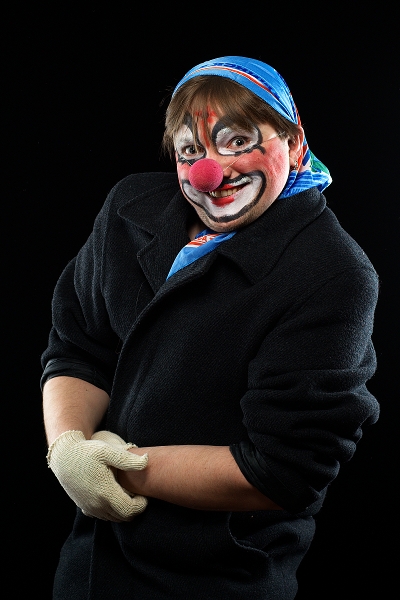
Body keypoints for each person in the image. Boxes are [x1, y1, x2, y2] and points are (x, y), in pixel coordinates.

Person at [41, 56, 379, 599]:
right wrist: (68, 449)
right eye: (190, 152)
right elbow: (78, 346)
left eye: (237, 141)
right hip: (90, 567)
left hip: (219, 577)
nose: (209, 172)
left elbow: (282, 469)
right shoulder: (130, 208)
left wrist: (120, 467)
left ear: (294, 144)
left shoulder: (333, 273)